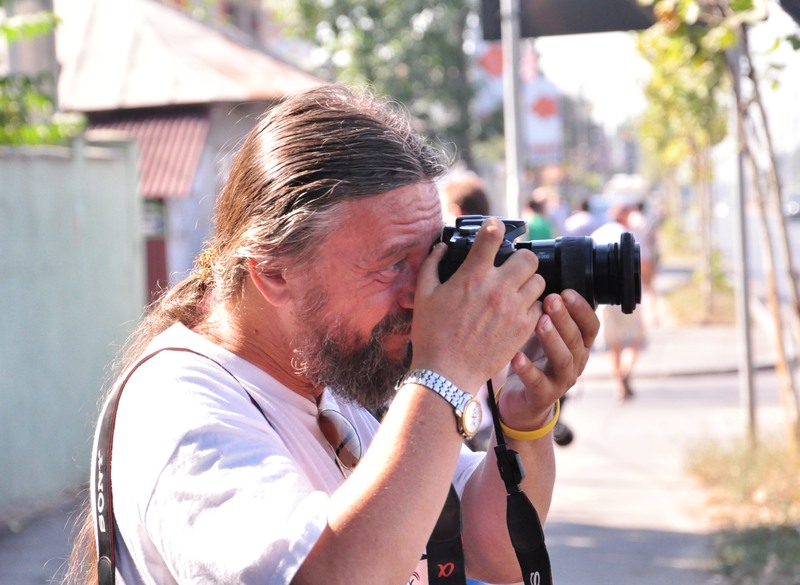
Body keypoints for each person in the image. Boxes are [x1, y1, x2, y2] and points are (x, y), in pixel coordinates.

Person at [65, 85, 599, 585]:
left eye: (430, 259)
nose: (421, 295)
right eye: (392, 265)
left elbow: (493, 550)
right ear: (273, 271)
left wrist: (523, 420)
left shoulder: (330, 373)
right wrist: (446, 374)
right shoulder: (180, 406)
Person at [591, 203, 646, 401]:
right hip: (629, 295)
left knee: (613, 344)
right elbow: (641, 262)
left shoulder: (598, 233)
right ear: (624, 215)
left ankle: (619, 386)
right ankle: (625, 371)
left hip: (605, 297)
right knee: (635, 339)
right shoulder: (628, 234)